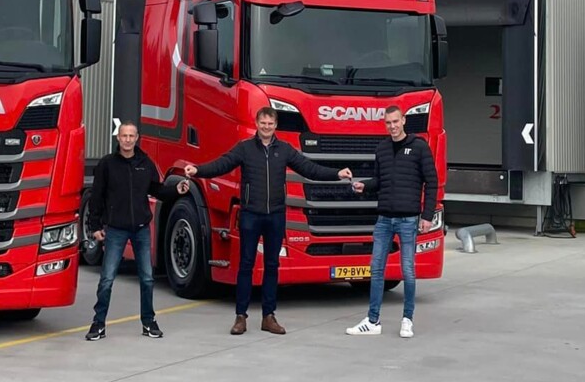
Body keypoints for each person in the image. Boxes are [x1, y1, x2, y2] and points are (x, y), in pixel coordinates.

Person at [185, 106, 353, 335]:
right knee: (246, 265)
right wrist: (197, 170)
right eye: (263, 123)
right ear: (257, 124)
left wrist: (336, 174)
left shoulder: (284, 150)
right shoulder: (244, 148)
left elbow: (309, 169)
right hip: (250, 215)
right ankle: (240, 317)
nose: (266, 127)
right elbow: (222, 164)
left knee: (272, 266)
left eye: (270, 124)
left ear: (275, 126)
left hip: (275, 215)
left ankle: (269, 316)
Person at [85, 121, 189, 341]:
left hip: (141, 229)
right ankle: (98, 324)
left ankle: (149, 322)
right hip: (115, 230)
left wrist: (176, 190)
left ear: (137, 138)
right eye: (124, 136)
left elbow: (157, 190)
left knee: (148, 279)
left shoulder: (145, 163)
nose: (128, 140)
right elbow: (97, 197)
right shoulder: (107, 164)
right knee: (107, 279)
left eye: (131, 136)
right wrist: (95, 226)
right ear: (118, 138)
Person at [345, 104, 437, 339]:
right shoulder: (382, 148)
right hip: (384, 219)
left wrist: (427, 216)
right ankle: (372, 321)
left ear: (403, 120)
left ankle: (407, 320)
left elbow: (432, 182)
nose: (393, 126)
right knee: (376, 268)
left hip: (408, 219)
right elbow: (379, 180)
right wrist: (365, 185)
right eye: (388, 123)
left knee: (408, 270)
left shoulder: (419, 147)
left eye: (396, 121)